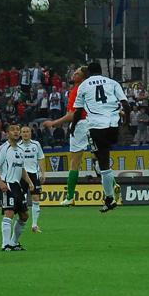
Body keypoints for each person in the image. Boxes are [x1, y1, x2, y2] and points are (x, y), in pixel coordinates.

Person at [70, 62, 130, 213]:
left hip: (97, 126)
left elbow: (78, 111)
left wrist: (73, 126)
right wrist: (126, 123)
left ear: (88, 72)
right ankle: (109, 196)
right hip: (113, 125)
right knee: (102, 159)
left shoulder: (84, 86)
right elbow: (125, 104)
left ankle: (109, 198)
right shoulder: (112, 82)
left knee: (102, 163)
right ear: (101, 70)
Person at [43, 66, 90, 206]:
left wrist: (54, 123)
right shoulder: (89, 89)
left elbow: (72, 115)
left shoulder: (77, 90)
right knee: (100, 159)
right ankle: (112, 190)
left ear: (82, 77)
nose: (74, 74)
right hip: (94, 124)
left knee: (74, 162)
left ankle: (70, 197)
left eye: (77, 73)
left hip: (80, 125)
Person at [0, 123, 34, 251]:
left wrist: (30, 182)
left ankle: (14, 242)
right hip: (7, 184)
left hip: (17, 185)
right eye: (12, 130)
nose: (16, 132)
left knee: (24, 215)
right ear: (7, 133)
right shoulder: (3, 149)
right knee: (9, 212)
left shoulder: (20, 150)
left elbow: (22, 169)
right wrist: (1, 183)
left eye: (17, 130)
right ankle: (5, 244)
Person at [19, 126, 46, 233]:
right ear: (20, 134)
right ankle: (21, 221)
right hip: (21, 175)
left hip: (34, 174)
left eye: (27, 132)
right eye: (23, 132)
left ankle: (34, 225)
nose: (25, 134)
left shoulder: (36, 144)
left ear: (30, 133)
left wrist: (43, 173)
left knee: (36, 198)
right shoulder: (17, 146)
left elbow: (41, 158)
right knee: (22, 199)